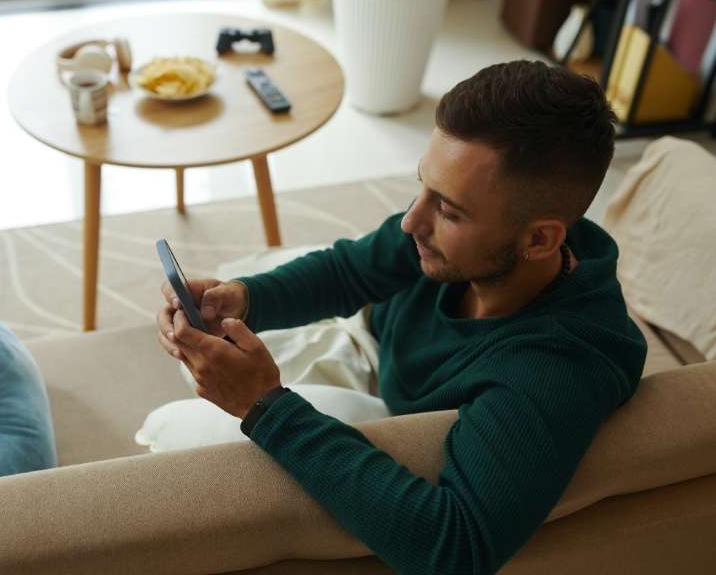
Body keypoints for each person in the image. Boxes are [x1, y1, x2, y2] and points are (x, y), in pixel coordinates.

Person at [155, 60, 647, 574]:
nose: (412, 221)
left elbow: (456, 548)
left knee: (189, 425)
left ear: (540, 239)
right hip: (374, 336)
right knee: (230, 299)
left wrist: (264, 406)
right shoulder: (465, 240)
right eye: (422, 185)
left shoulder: (553, 367)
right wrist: (243, 299)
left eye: (449, 212)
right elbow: (350, 271)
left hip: (386, 403)